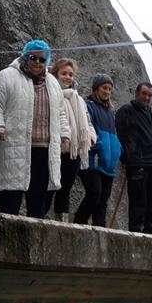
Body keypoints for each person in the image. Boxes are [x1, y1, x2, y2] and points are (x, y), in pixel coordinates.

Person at [0, 39, 70, 217]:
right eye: (33, 57)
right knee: (11, 197)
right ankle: (5, 237)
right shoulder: (7, 75)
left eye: (42, 60)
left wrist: (65, 134)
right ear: (25, 57)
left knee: (38, 201)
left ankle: (33, 242)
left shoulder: (53, 83)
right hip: (15, 145)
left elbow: (61, 112)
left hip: (45, 150)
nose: (37, 63)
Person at [115, 80, 152, 235]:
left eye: (150, 95)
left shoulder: (150, 114)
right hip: (138, 164)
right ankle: (136, 232)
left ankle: (151, 232)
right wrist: (127, 156)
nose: (147, 98)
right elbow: (119, 135)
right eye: (144, 93)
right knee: (138, 201)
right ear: (137, 93)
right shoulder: (127, 111)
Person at [51, 57, 95, 221]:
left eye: (70, 74)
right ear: (55, 74)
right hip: (56, 147)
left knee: (66, 189)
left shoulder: (78, 98)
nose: (68, 77)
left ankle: (62, 224)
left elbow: (87, 120)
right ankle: (42, 220)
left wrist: (90, 138)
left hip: (74, 150)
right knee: (50, 187)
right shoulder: (52, 93)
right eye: (64, 73)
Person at [75, 73, 120, 227]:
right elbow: (87, 127)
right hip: (93, 159)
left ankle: (100, 230)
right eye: (104, 88)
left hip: (108, 162)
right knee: (94, 193)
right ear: (96, 88)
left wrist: (118, 149)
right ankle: (79, 223)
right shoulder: (89, 106)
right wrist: (97, 144)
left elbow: (114, 136)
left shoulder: (110, 113)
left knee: (103, 201)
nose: (107, 91)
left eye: (109, 89)